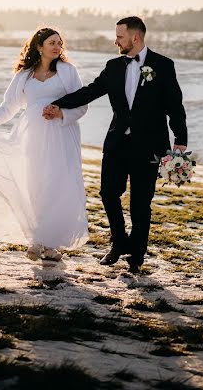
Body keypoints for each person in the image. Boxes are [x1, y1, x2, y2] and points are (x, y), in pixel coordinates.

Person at [43, 16, 186, 273]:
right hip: (117, 143)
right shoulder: (113, 66)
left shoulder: (163, 66)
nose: (115, 41)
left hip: (151, 146)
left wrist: (181, 141)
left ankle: (137, 255)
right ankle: (119, 242)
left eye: (119, 36)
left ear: (136, 37)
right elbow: (90, 91)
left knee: (141, 203)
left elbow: (175, 106)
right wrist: (59, 104)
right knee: (108, 194)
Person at [0, 28, 89, 262]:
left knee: (58, 185)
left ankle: (51, 244)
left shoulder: (68, 71)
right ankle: (37, 240)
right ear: (39, 46)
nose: (57, 47)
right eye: (52, 42)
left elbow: (82, 105)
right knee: (35, 186)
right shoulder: (24, 75)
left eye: (60, 44)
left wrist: (61, 112)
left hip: (62, 136)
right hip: (31, 137)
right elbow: (7, 109)